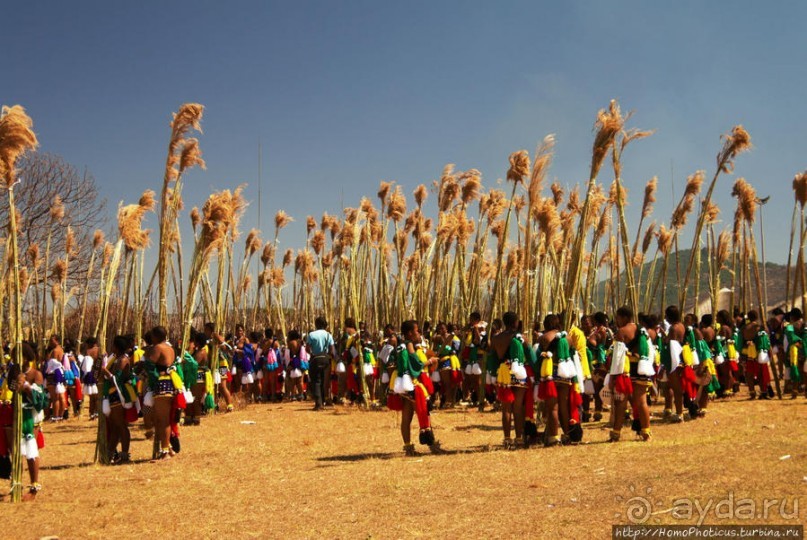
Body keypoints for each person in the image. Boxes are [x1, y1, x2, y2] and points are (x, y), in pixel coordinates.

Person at [389, 320, 439, 455]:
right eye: (417, 331)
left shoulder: (401, 345)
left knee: (407, 416)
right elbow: (416, 365)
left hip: (404, 384)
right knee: (423, 412)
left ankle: (408, 447)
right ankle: (432, 445)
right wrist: (430, 361)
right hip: (412, 383)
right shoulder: (409, 344)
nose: (419, 334)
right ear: (410, 333)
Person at [490, 311, 529, 448]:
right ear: (515, 322)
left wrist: (493, 375)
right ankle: (519, 438)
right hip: (519, 373)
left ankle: (507, 439)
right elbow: (529, 355)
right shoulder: (521, 338)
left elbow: (492, 357)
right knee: (517, 408)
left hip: (503, 373)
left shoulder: (496, 338)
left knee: (506, 409)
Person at [144, 326, 182, 461]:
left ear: (155, 336)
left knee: (163, 420)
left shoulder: (158, 348)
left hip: (162, 385)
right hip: (171, 383)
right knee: (162, 419)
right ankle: (169, 448)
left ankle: (165, 451)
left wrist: (145, 365)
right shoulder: (170, 349)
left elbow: (150, 365)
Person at [101, 336, 135, 464]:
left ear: (116, 346)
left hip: (119, 395)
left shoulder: (123, 360)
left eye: (113, 345)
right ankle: (108, 455)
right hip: (113, 395)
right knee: (115, 426)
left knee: (121, 425)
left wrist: (105, 371)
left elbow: (117, 379)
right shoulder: (117, 359)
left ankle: (124, 455)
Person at [305, 317, 337, 411]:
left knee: (316, 381)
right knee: (324, 381)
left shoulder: (311, 335)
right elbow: (332, 349)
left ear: (316, 324)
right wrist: (329, 356)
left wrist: (312, 354)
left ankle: (318, 404)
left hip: (315, 359)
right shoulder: (328, 335)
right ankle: (323, 401)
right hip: (326, 359)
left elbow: (307, 348)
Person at [44, 335, 66, 422]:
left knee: (55, 398)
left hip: (53, 375)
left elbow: (52, 364)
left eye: (51, 340)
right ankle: (60, 416)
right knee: (60, 397)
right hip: (59, 374)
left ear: (57, 341)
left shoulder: (55, 351)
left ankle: (55, 416)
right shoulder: (61, 349)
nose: (50, 342)